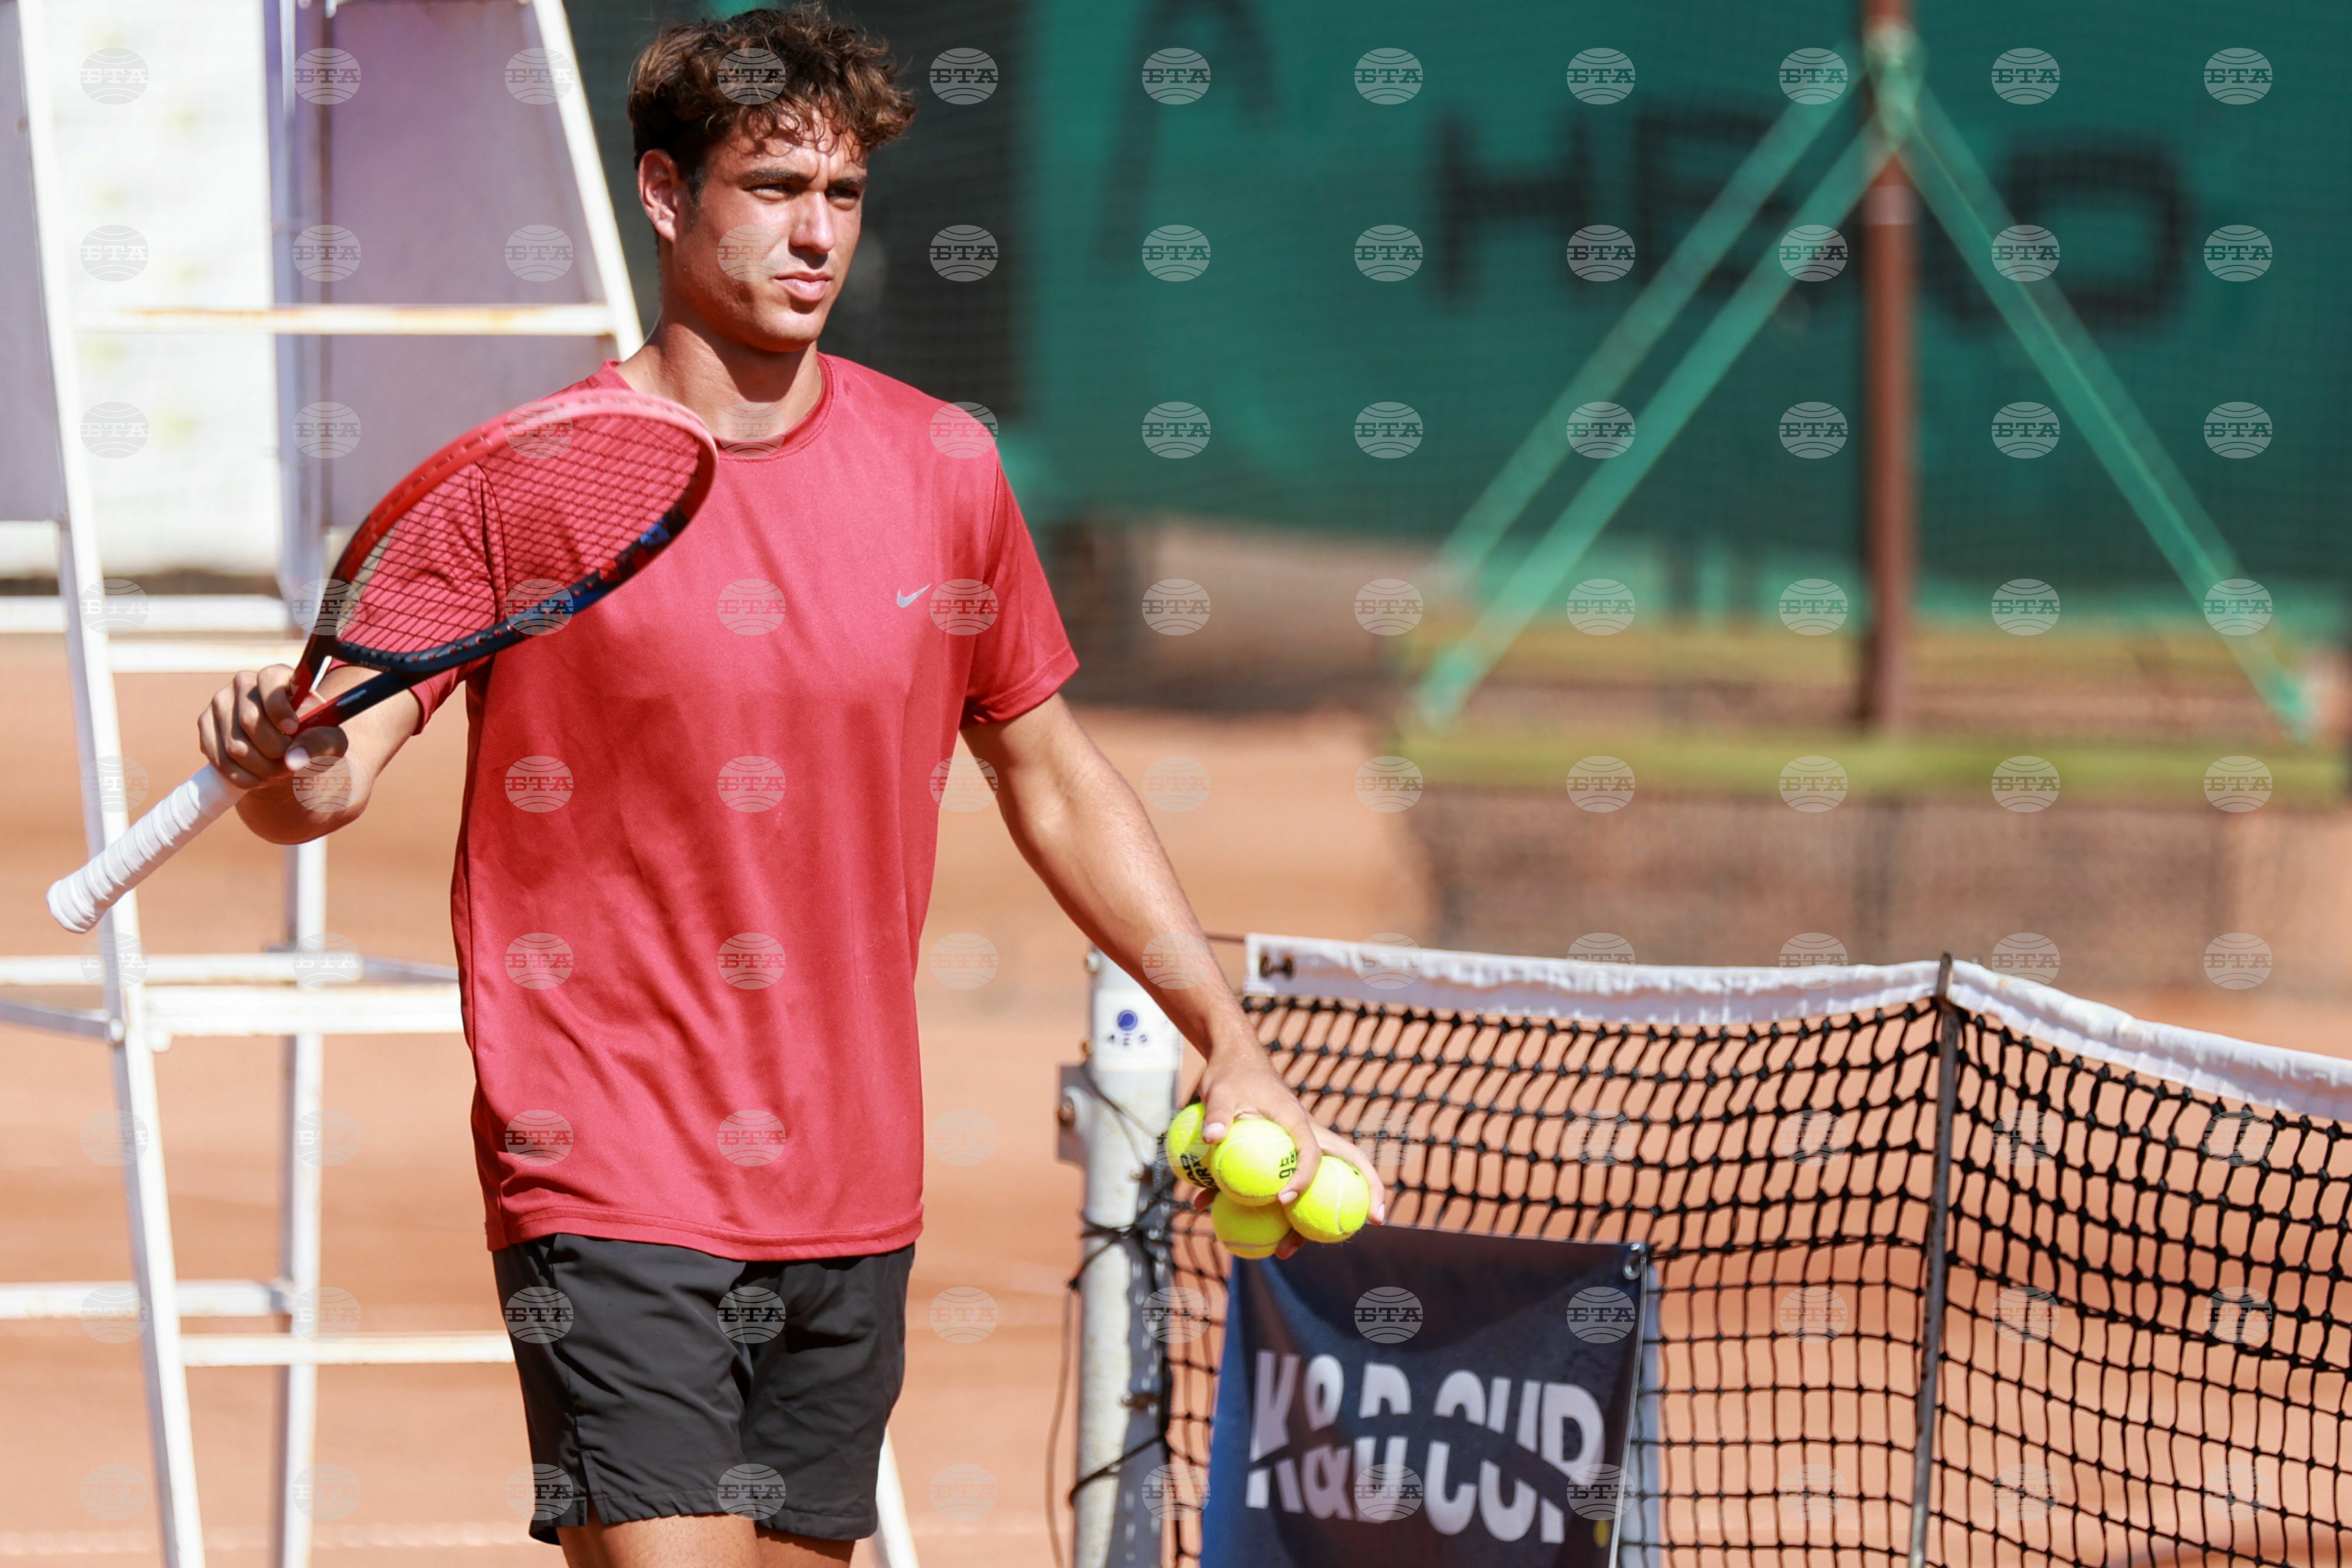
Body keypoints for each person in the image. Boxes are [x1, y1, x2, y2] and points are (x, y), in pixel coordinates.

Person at [195, 6, 1383, 1564]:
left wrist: (1228, 1038)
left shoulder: (945, 469)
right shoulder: (522, 482)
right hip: (607, 1157)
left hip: (850, 1180)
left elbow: (1050, 771)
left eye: (841, 194)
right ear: (665, 192)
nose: (815, 234)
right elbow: (329, 778)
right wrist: (279, 765)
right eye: (771, 188)